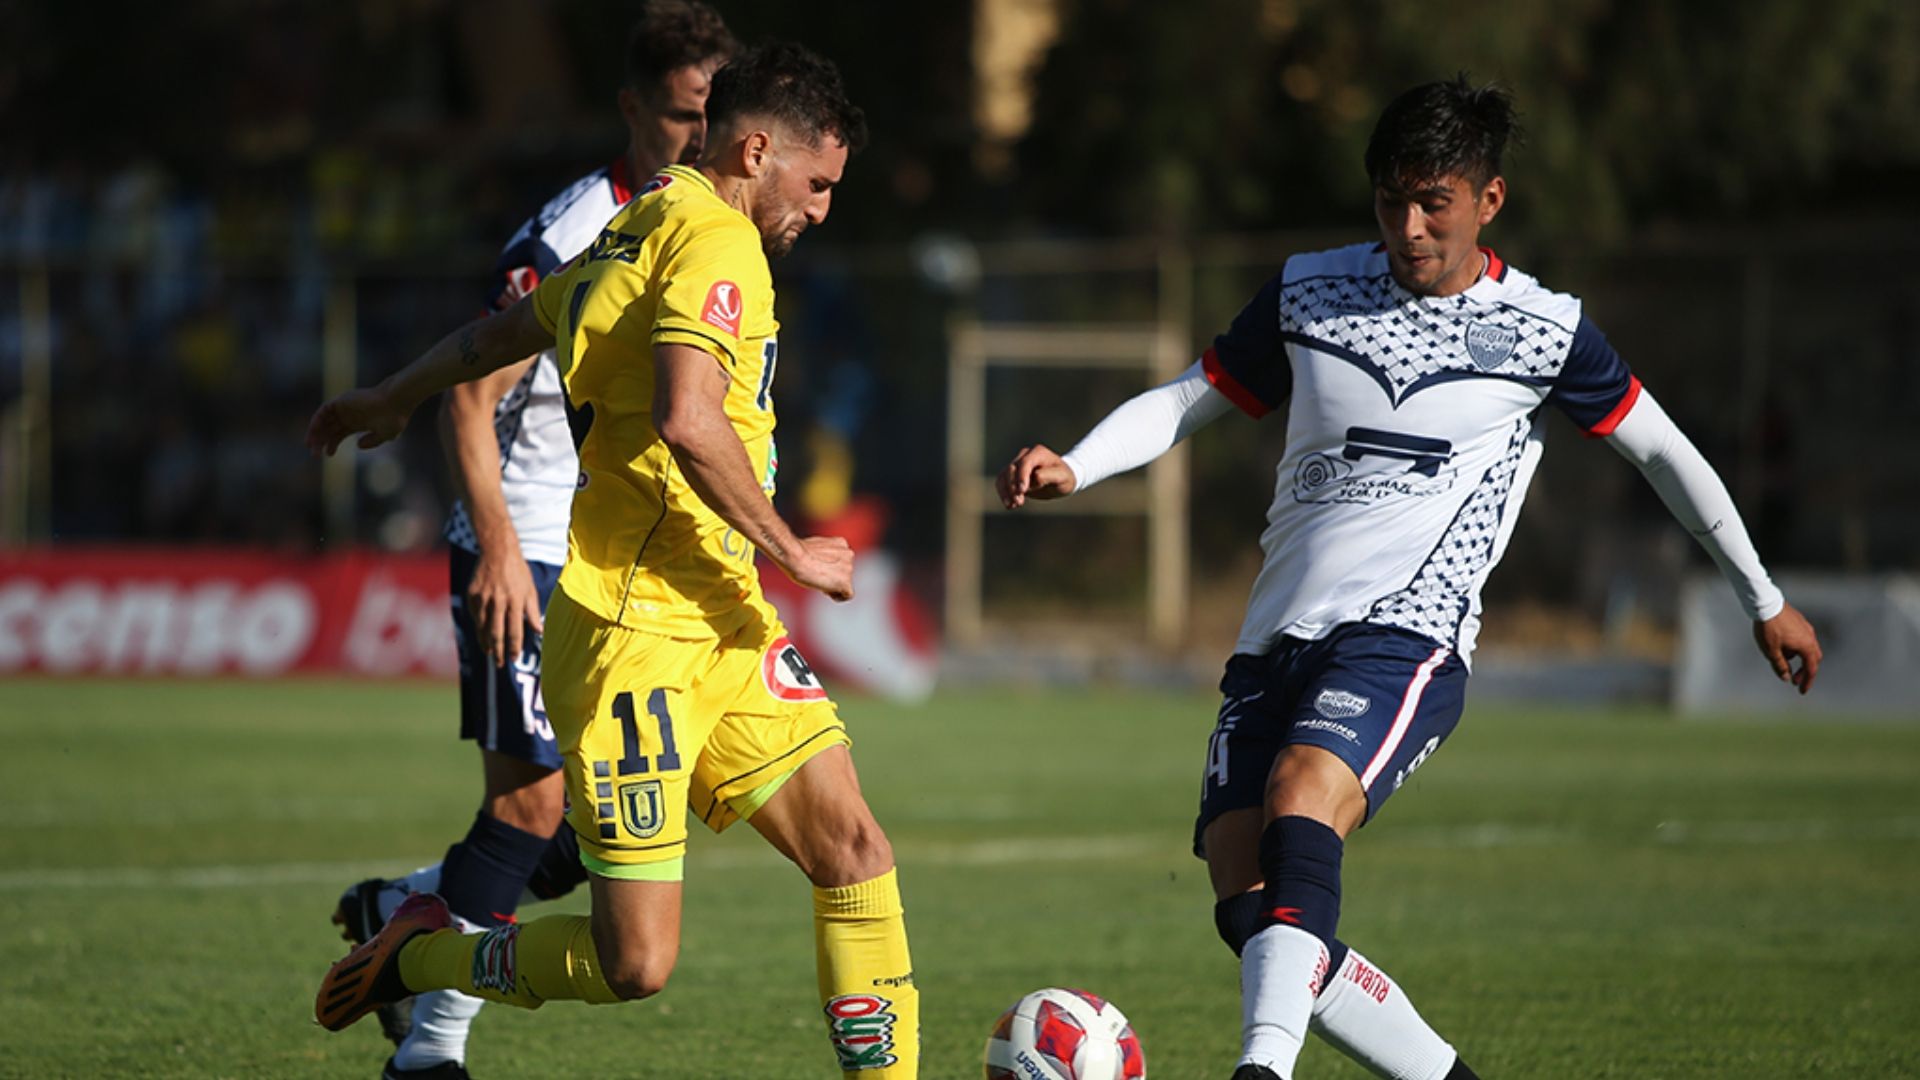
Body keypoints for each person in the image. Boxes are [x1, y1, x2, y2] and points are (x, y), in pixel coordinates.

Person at [996, 76, 1821, 1080]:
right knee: (1252, 903)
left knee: (1306, 799)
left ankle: (1260, 1072)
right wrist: (1076, 463)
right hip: (1274, 640)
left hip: (1408, 635)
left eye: (1436, 201)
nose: (1411, 225)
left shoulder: (1545, 330)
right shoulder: (1310, 290)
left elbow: (1665, 454)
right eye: (1392, 199)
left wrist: (1763, 598)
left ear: (1490, 200)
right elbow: (1192, 397)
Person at [311, 42, 918, 1079]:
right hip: (635, 642)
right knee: (634, 962)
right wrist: (795, 552)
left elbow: (496, 335)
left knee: (855, 853)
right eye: (816, 185)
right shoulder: (715, 243)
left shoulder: (635, 228)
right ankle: (428, 957)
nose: (820, 211)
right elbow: (688, 419)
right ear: (758, 149)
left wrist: (390, 397)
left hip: (723, 622)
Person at [327, 6, 735, 1078]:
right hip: (527, 536)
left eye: (715, 115)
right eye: (684, 115)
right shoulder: (580, 224)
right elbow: (475, 392)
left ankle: (400, 908)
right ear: (633, 110)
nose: (702, 136)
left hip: (609, 555)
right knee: (532, 803)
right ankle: (429, 1048)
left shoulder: (703, 226)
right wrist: (501, 548)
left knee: (586, 823)